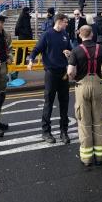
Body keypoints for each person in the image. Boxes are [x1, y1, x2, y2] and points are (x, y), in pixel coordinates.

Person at [68, 25, 102, 166]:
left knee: (84, 122)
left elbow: (70, 72)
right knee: (98, 121)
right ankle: (101, 157)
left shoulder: (76, 50)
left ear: (80, 35)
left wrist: (75, 77)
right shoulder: (101, 48)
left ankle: (87, 158)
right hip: (97, 85)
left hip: (82, 86)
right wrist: (101, 75)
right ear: (92, 34)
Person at [28, 13, 71, 144]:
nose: (67, 24)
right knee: (49, 103)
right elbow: (36, 49)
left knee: (64, 103)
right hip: (51, 73)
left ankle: (64, 132)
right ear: (59, 21)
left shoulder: (65, 35)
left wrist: (69, 53)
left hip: (63, 73)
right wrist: (31, 60)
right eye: (65, 22)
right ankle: (46, 132)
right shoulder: (47, 34)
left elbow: (70, 50)